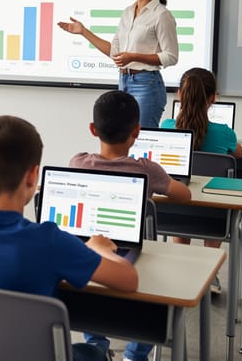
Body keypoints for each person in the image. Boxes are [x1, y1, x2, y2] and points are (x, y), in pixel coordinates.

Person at [0, 115, 138, 361]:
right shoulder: (51, 241)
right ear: (34, 176)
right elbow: (128, 280)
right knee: (94, 353)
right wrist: (99, 249)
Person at [70, 90, 191, 361]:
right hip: (131, 255)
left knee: (89, 291)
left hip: (87, 250)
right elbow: (184, 196)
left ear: (93, 129)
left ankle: (96, 345)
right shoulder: (147, 170)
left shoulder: (78, 162)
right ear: (137, 131)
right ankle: (135, 355)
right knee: (152, 286)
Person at [58, 0, 178, 127]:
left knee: (142, 141)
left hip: (147, 85)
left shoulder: (161, 15)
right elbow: (114, 51)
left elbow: (170, 56)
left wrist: (135, 57)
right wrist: (83, 31)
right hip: (124, 81)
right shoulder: (128, 12)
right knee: (124, 141)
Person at [161, 67, 241, 294]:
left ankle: (181, 265)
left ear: (179, 94)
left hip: (170, 213)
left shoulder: (166, 127)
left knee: (180, 192)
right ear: (213, 98)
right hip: (214, 216)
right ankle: (210, 270)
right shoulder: (225, 132)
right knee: (211, 198)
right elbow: (238, 153)